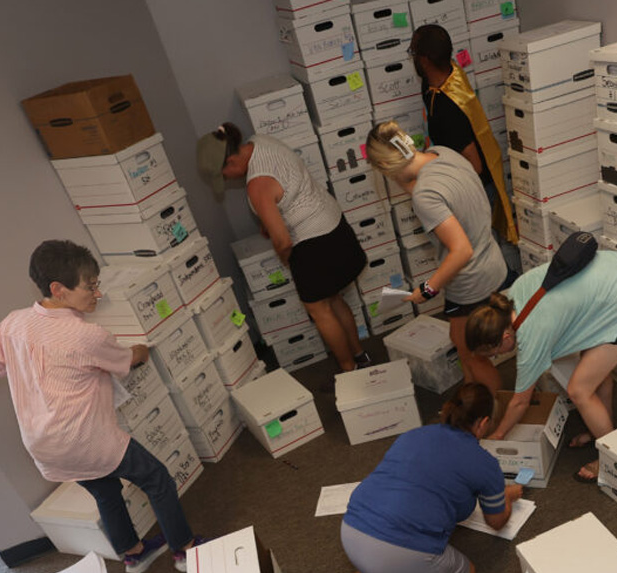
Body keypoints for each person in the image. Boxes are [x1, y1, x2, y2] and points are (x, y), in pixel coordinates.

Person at [0, 240, 203, 573]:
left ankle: (133, 554)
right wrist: (142, 347)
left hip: (44, 445)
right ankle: (184, 551)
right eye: (90, 286)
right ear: (59, 289)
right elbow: (128, 360)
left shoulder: (12, 323)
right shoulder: (86, 335)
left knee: (105, 490)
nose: (97, 294)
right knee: (157, 479)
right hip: (86, 438)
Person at [320, 383, 523, 573]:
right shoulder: (485, 464)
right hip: (399, 556)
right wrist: (507, 496)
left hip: (352, 531)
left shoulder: (413, 435)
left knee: (396, 535)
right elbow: (496, 521)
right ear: (482, 424)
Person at [464, 244, 617, 481]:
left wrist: (497, 435)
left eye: (493, 353)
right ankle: (601, 431)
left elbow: (519, 402)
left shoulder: (530, 336)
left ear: (505, 337)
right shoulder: (513, 296)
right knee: (595, 374)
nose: (495, 359)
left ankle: (612, 460)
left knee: (580, 390)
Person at [196, 122, 370, 373]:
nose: (226, 179)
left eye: (223, 174)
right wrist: (271, 219)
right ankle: (360, 355)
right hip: (333, 223)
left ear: (231, 161)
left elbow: (283, 240)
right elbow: (287, 189)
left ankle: (348, 369)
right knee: (334, 297)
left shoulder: (257, 185)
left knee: (319, 310)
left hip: (313, 243)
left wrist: (288, 258)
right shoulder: (261, 141)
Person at [366, 120, 510, 393]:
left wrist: (428, 289)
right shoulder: (443, 153)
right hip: (492, 262)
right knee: (461, 340)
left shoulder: (425, 194)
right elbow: (442, 194)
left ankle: (492, 413)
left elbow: (461, 250)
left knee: (473, 355)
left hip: (470, 280)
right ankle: (472, 402)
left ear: (384, 167)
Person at [410, 23, 521, 278]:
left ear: (425, 60)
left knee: (487, 250)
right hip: (466, 177)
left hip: (476, 187)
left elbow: (475, 165)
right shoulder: (438, 81)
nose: (413, 58)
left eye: (414, 52)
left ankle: (510, 294)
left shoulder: (449, 107)